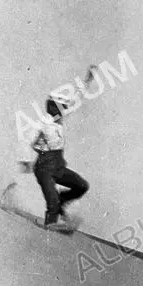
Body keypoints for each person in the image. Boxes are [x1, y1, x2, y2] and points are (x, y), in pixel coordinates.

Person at [18, 65, 96, 230]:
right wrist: (26, 160)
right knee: (52, 205)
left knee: (82, 186)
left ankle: (61, 203)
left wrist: (88, 80)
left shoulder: (58, 118)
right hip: (44, 168)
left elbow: (76, 100)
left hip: (58, 166)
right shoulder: (42, 124)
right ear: (54, 108)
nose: (65, 111)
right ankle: (51, 222)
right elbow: (27, 140)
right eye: (62, 108)